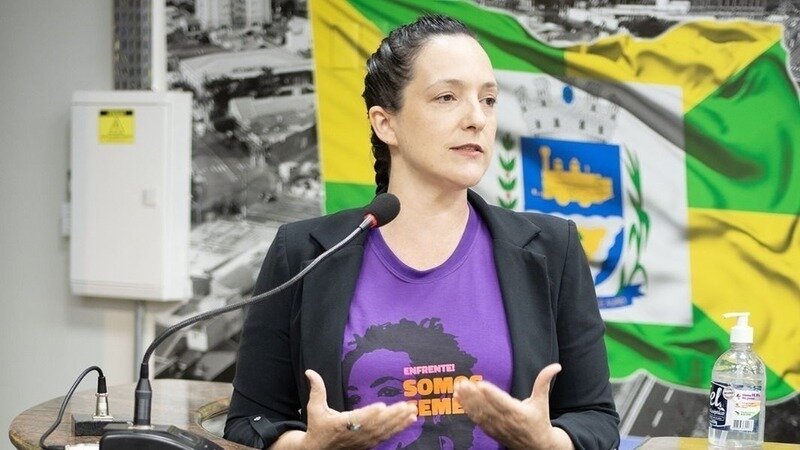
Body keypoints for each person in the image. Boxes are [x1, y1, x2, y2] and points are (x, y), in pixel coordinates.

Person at [224, 14, 619, 450]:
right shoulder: (304, 253)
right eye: (447, 97)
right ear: (385, 123)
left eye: (488, 100)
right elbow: (249, 421)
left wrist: (547, 442)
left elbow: (596, 419)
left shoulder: (552, 249)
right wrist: (307, 447)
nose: (477, 119)